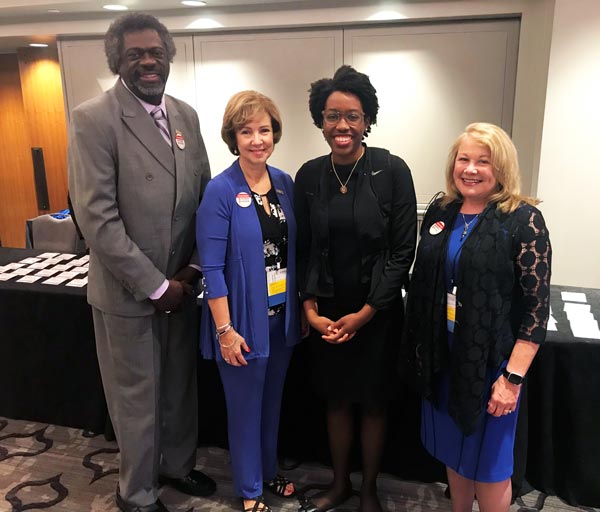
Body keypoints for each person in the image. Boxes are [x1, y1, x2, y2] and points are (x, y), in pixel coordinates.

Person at [68, 13, 215, 512]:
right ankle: (136, 492)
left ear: (168, 56)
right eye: (135, 54)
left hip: (182, 287)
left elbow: (205, 201)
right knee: (136, 402)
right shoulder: (93, 118)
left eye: (155, 52)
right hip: (131, 293)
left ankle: (177, 466)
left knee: (179, 389)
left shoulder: (187, 116)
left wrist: (192, 272)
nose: (148, 61)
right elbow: (97, 219)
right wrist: (156, 286)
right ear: (118, 62)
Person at [402, 122, 552, 512]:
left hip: (491, 363)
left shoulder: (522, 220)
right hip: (445, 355)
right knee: (455, 453)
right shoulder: (442, 209)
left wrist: (512, 379)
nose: (470, 169)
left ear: (500, 168)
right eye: (463, 159)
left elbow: (536, 309)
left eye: (482, 161)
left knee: (490, 466)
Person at [295, 65, 417, 512]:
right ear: (319, 120)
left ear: (367, 120)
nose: (341, 126)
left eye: (352, 116)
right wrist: (309, 309)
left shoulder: (391, 170)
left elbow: (404, 251)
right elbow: (301, 249)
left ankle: (368, 491)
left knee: (373, 404)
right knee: (336, 401)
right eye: (331, 116)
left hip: (377, 312)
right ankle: (340, 484)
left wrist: (367, 312)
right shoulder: (308, 176)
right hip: (327, 309)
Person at [196, 90, 301, 512]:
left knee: (271, 405)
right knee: (244, 409)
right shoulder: (220, 191)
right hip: (240, 322)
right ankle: (250, 490)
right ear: (233, 137)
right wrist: (224, 331)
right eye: (246, 131)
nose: (257, 139)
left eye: (264, 130)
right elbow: (212, 269)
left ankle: (269, 470)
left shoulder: (285, 184)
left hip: (280, 317)